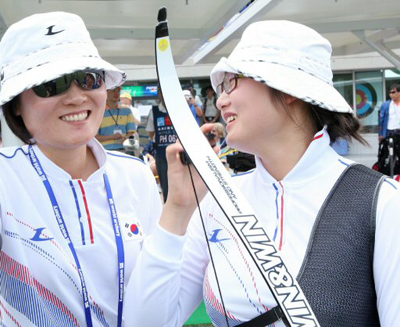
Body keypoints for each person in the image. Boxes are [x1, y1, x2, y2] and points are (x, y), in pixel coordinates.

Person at [125, 20, 400, 326]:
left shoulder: (380, 202)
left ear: (288, 89)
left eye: (231, 81)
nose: (220, 99)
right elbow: (145, 321)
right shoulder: (218, 202)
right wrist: (177, 210)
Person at [0, 12, 161, 327]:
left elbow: (159, 286)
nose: (77, 96)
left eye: (89, 78)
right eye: (52, 85)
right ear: (15, 106)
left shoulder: (135, 175)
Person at [146, 90, 178, 202]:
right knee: (165, 185)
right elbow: (151, 133)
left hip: (178, 155)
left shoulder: (178, 109)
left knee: (179, 185)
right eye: (161, 91)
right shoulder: (154, 111)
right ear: (159, 94)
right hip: (161, 153)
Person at [96, 86, 137, 152]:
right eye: (113, 91)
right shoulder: (98, 112)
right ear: (105, 93)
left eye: (118, 91)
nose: (116, 93)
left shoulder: (127, 111)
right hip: (105, 151)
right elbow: (95, 137)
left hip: (124, 150)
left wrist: (126, 138)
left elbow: (131, 132)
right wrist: (112, 137)